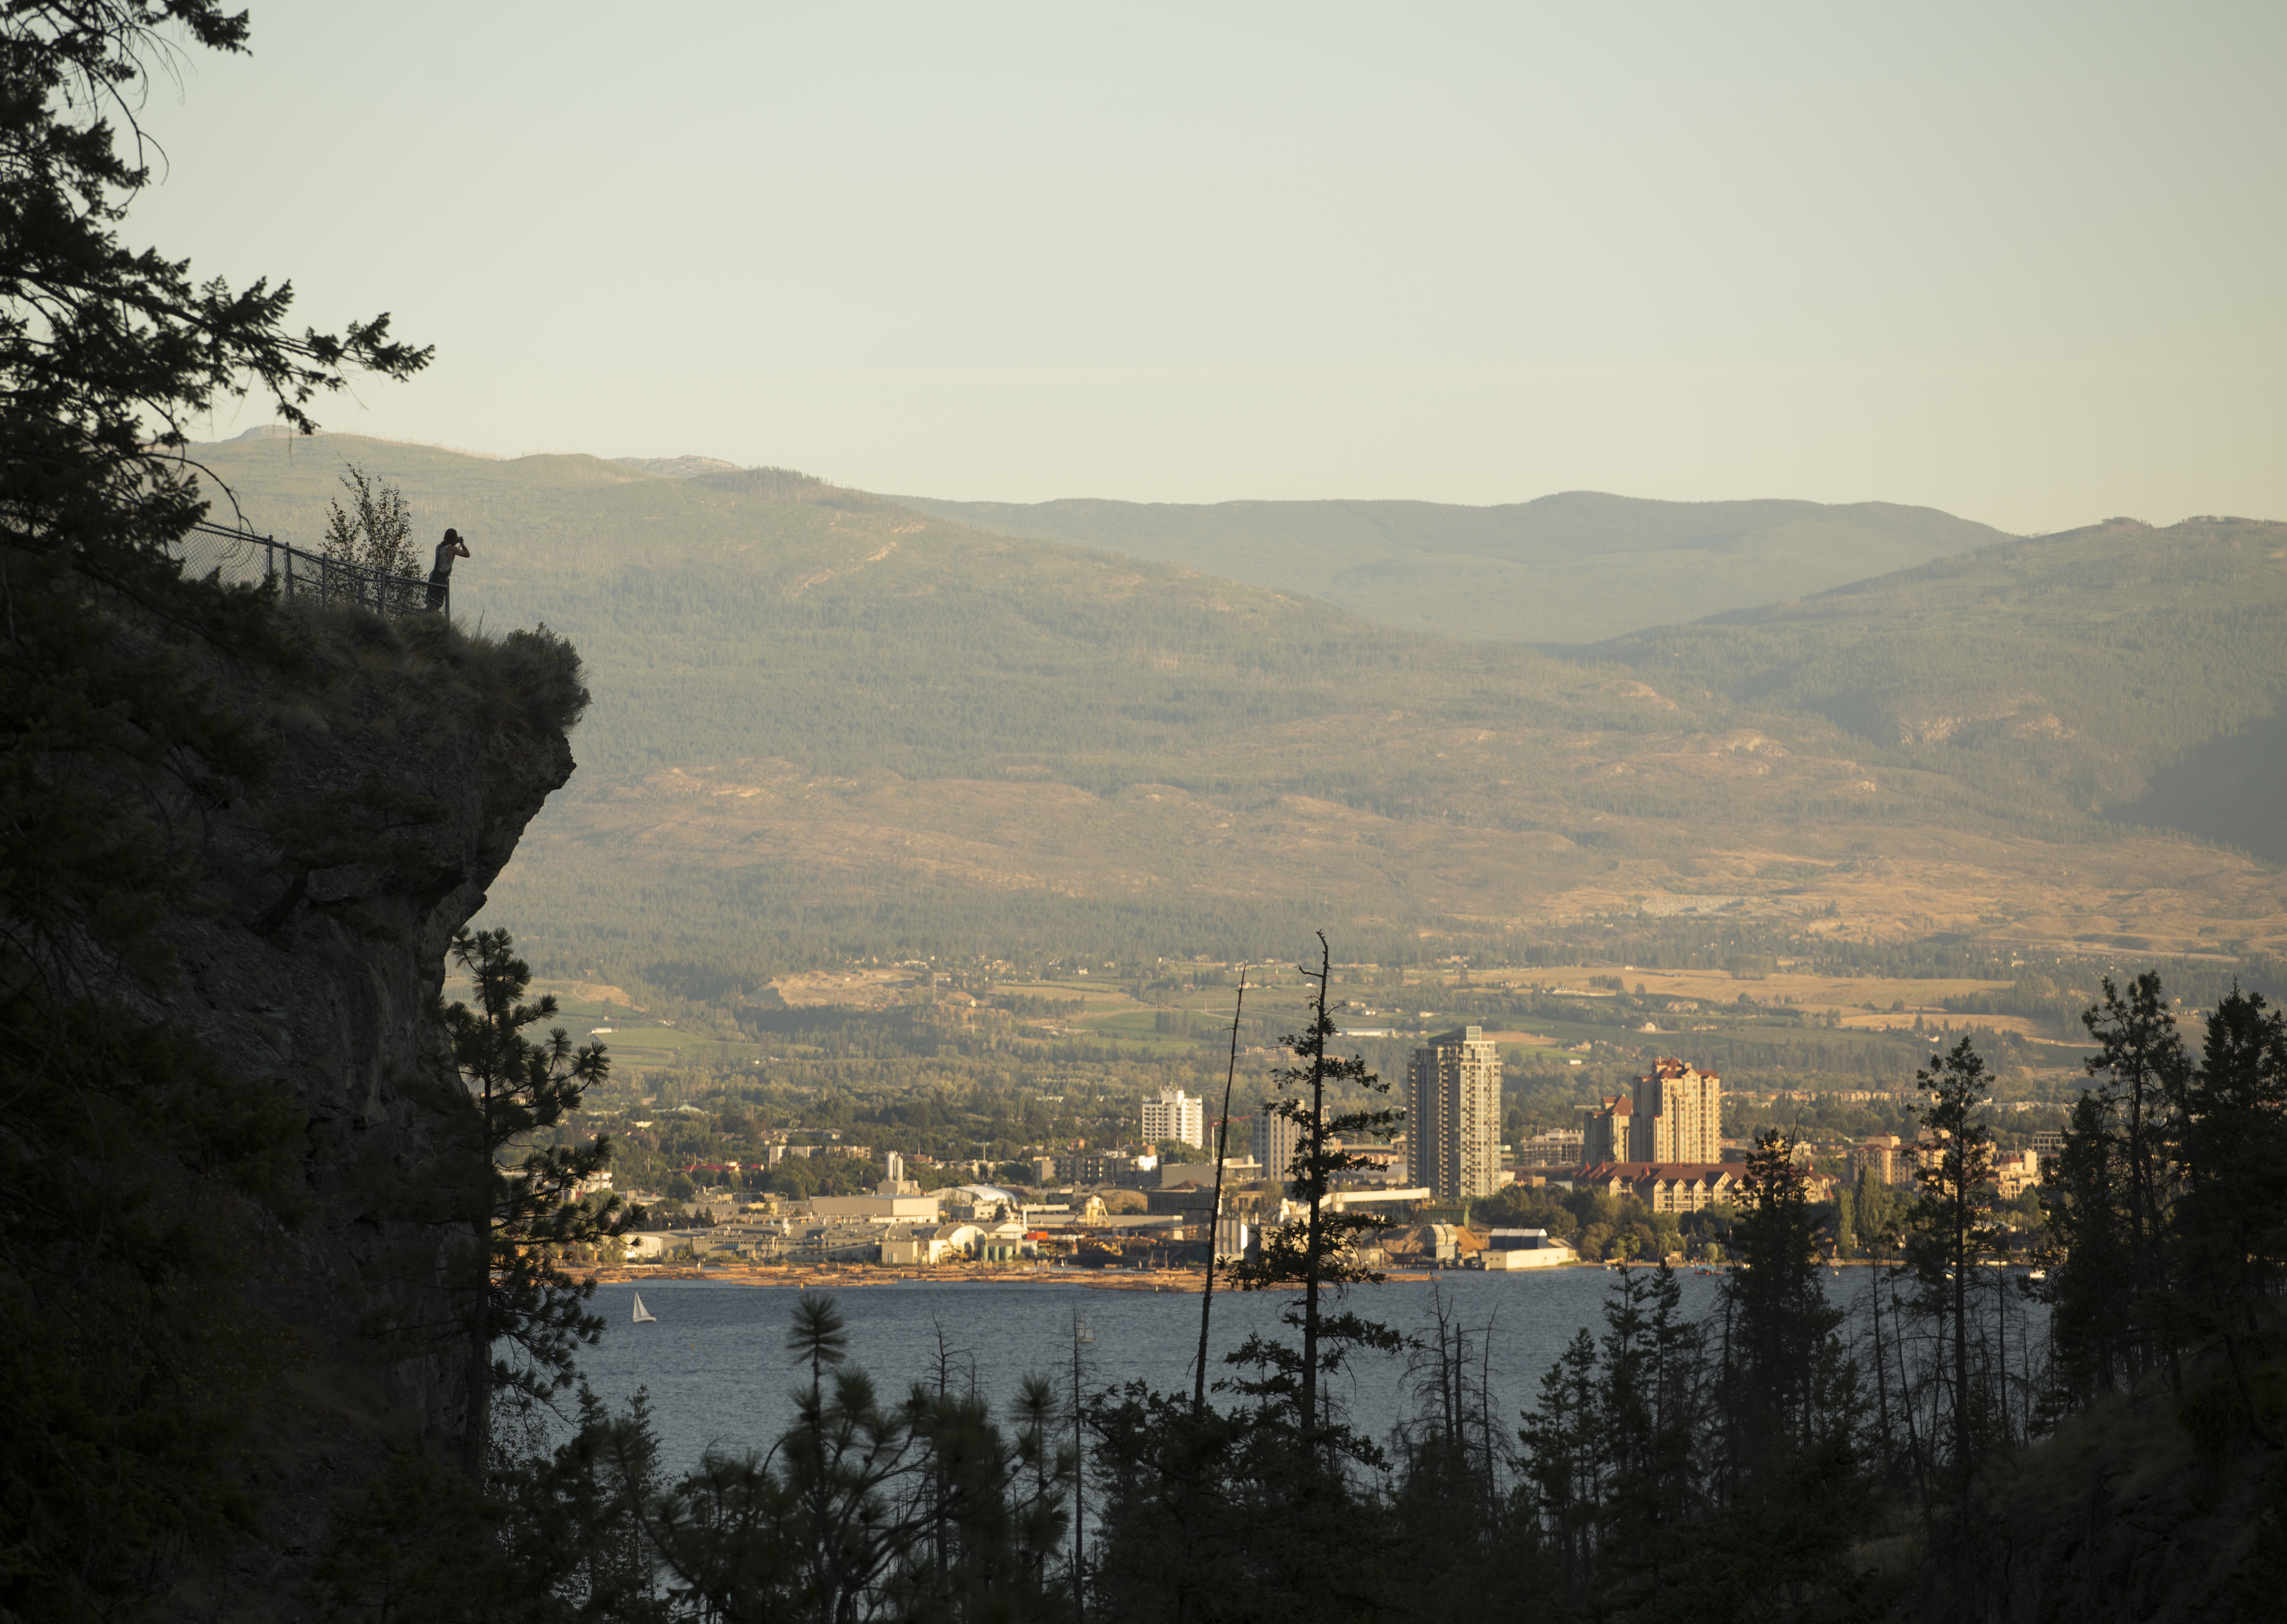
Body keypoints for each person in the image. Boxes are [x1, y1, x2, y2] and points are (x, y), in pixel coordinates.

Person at [426, 527, 468, 611]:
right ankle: (430, 622)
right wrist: (462, 544)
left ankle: (424, 621)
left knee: (430, 606)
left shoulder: (439, 547)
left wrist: (453, 543)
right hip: (441, 581)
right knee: (436, 607)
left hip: (433, 578)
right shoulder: (452, 549)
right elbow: (467, 554)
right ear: (454, 538)